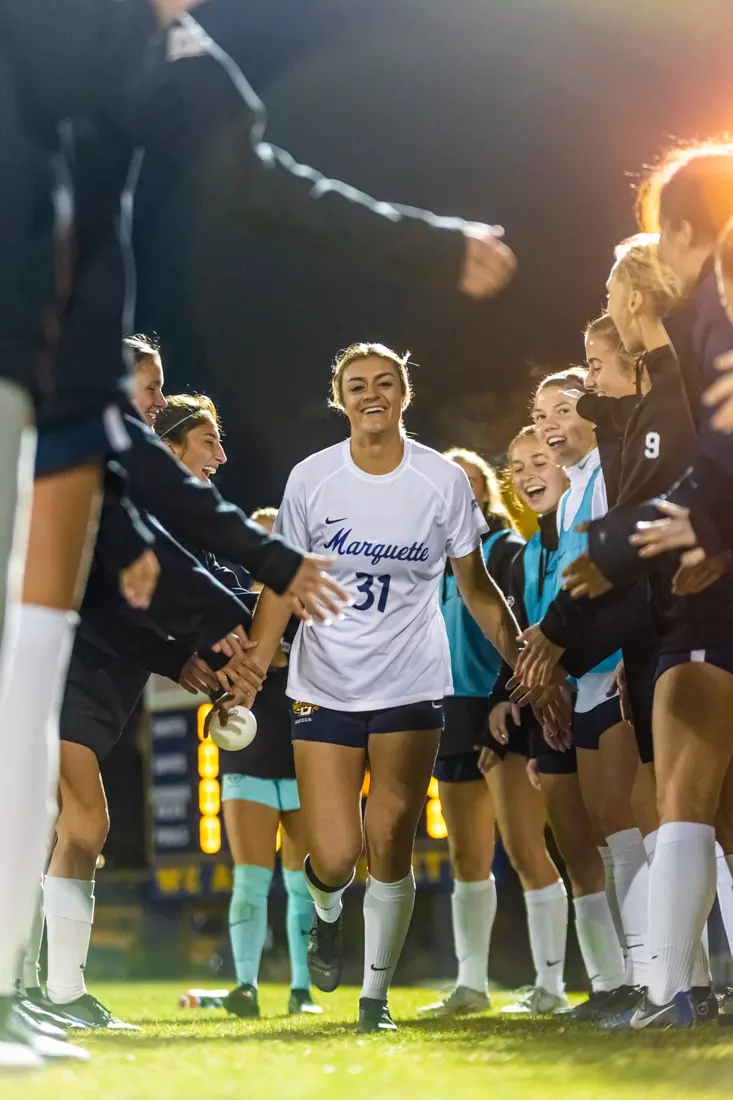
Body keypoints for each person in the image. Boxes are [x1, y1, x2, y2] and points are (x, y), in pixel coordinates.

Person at [235, 343, 531, 1034]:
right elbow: (283, 583)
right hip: (325, 682)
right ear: (339, 399)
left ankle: (375, 1001)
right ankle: (329, 913)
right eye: (357, 384)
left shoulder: (440, 481)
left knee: (391, 837)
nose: (372, 393)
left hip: (410, 682)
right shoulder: (311, 479)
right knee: (335, 855)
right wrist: (251, 667)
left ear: (404, 393)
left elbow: (476, 588)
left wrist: (523, 661)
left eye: (385, 382)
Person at [515, 371, 651, 1005]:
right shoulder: (571, 495)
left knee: (637, 829)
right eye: (540, 413)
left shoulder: (610, 476)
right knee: (611, 835)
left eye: (563, 409)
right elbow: (574, 599)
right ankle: (636, 980)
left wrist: (619, 652)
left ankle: (668, 977)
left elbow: (623, 577)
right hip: (590, 676)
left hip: (624, 663)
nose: (549, 422)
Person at [419, 448, 569, 1019]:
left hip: (504, 710)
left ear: (485, 493)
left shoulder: (506, 552)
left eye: (471, 482)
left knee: (529, 850)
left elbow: (522, 634)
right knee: (466, 858)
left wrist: (502, 707)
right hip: (450, 712)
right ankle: (471, 985)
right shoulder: (429, 565)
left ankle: (552, 988)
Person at [489, 427, 626, 1019]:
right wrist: (519, 693)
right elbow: (525, 633)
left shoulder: (583, 531)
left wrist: (562, 679)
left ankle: (654, 976)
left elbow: (589, 615)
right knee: (575, 848)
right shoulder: (522, 558)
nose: (527, 474)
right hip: (550, 712)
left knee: (618, 840)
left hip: (599, 689)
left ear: (571, 470)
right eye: (516, 467)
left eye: (539, 461)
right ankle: (606, 985)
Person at [219, 508, 319, 1020]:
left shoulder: (311, 612)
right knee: (251, 880)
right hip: (249, 760)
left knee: (303, 883)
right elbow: (219, 681)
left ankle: (301, 991)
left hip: (304, 761)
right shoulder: (228, 607)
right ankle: (245, 987)